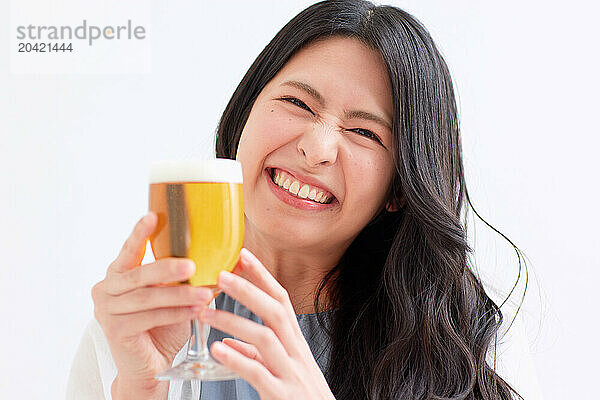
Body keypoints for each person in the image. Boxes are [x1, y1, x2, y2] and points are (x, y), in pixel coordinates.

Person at [67, 1, 527, 399]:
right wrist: (141, 392)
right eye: (298, 104)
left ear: (399, 189)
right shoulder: (134, 331)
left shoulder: (470, 347)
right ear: (245, 112)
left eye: (365, 132)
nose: (316, 148)